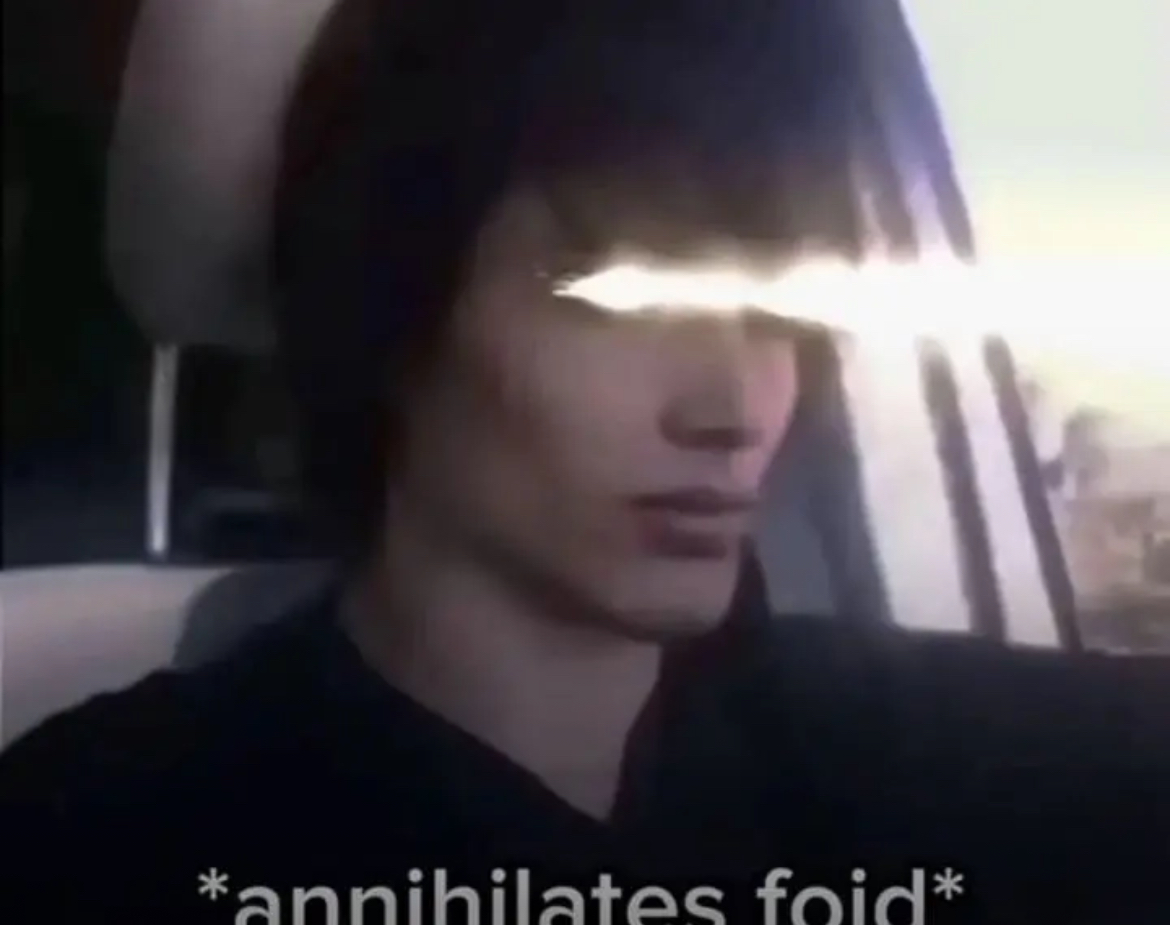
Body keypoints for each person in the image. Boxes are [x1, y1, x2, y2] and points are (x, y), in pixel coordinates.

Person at [2, 0, 1167, 921]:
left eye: (781, 305)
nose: (732, 407)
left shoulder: (922, 767)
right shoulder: (97, 841)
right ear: (390, 309)